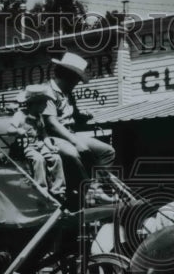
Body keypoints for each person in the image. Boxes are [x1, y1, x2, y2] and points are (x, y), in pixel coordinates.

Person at [40, 52, 117, 205]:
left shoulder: (68, 93)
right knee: (73, 153)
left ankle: (95, 190)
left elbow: (73, 115)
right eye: (76, 79)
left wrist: (84, 116)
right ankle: (89, 191)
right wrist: (75, 142)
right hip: (51, 136)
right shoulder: (47, 92)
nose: (77, 83)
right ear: (68, 76)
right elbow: (51, 123)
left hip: (70, 133)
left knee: (107, 151)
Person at [12, 85, 66, 201]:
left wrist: (50, 146)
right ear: (35, 103)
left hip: (40, 145)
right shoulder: (20, 115)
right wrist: (18, 130)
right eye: (44, 103)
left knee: (56, 158)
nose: (46, 106)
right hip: (27, 146)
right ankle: (41, 191)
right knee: (39, 159)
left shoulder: (39, 117)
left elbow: (44, 134)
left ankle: (58, 190)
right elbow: (9, 130)